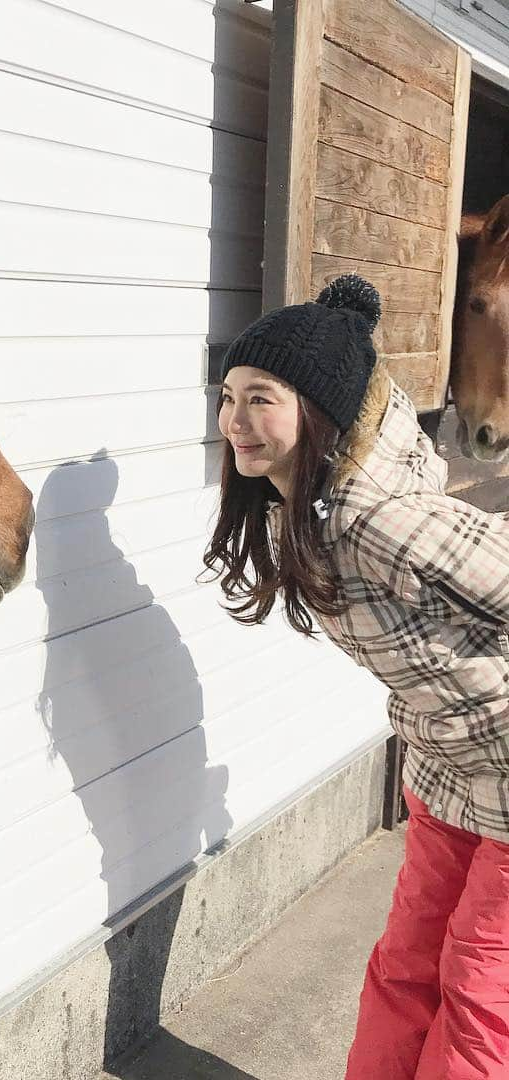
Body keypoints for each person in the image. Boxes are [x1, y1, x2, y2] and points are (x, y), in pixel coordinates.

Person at [203, 274, 509, 1079]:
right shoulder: (298, 509)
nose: (235, 420)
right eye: (229, 396)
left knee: (479, 998)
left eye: (260, 397)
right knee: (405, 966)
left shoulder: (382, 520)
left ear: (319, 409)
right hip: (450, 768)